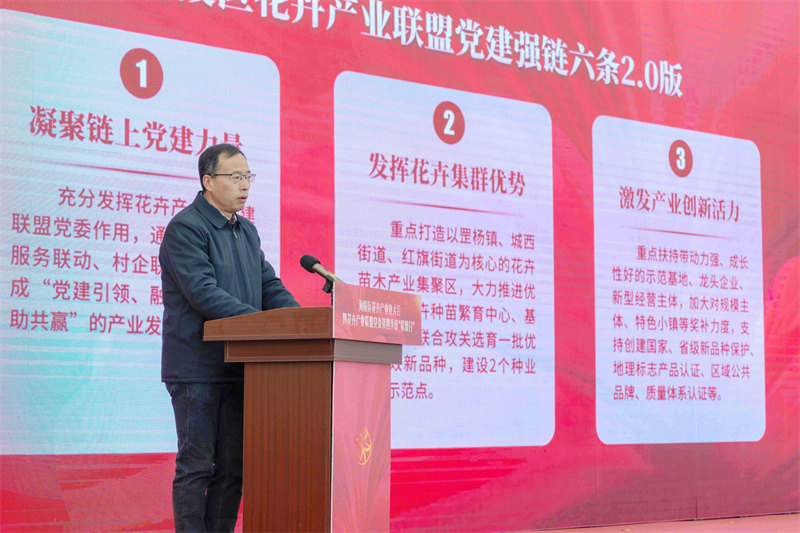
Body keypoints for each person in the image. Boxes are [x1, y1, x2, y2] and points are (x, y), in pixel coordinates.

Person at [160, 143, 299, 532]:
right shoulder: (186, 228)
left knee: (233, 468)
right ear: (208, 181)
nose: (245, 185)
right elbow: (202, 293)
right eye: (235, 177)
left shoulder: (246, 230)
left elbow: (269, 285)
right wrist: (262, 325)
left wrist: (300, 322)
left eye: (247, 177)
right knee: (196, 467)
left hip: (240, 365)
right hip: (197, 369)